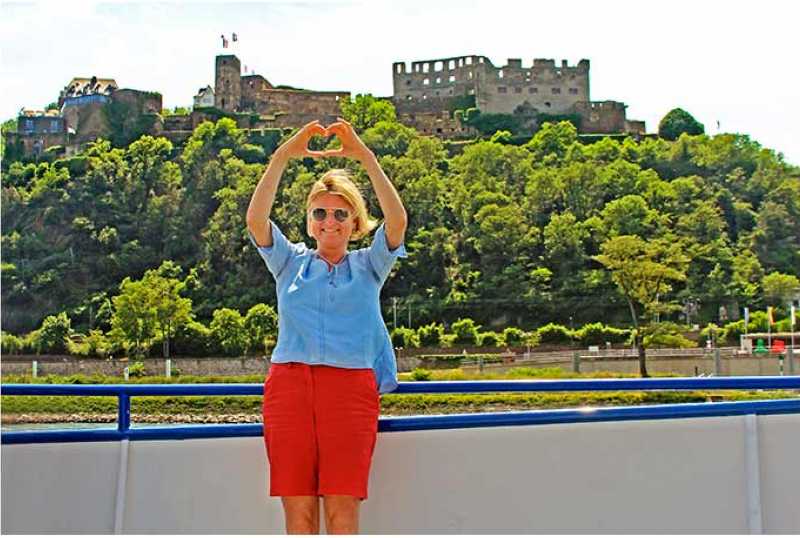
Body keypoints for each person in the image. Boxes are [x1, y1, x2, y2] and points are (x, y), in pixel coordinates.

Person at [245, 118, 408, 534]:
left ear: (356, 223)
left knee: (342, 513)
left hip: (350, 391)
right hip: (289, 390)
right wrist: (283, 155)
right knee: (298, 516)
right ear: (309, 220)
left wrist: (364, 156)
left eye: (340, 213)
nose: (329, 221)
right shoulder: (289, 262)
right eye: (320, 212)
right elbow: (256, 220)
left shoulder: (369, 266)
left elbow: (397, 222)